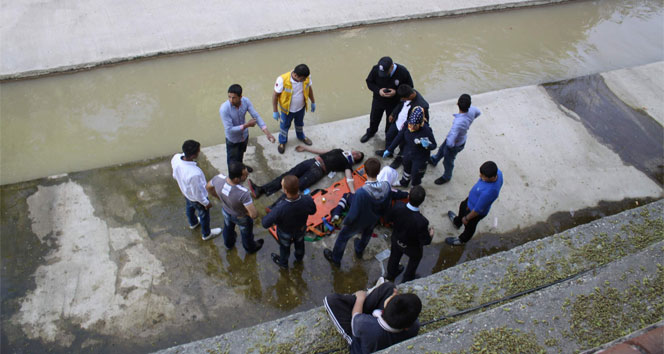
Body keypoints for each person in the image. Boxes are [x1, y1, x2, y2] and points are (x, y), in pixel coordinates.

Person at [323, 158, 392, 267]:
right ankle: (359, 250)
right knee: (367, 234)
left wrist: (347, 222)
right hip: (374, 218)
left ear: (365, 171)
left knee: (343, 237)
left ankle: (336, 259)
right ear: (379, 172)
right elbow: (387, 204)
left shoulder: (361, 192)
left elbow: (354, 212)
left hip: (359, 220)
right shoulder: (387, 186)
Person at [324, 281, 421, 353]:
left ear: (385, 305)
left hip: (363, 341)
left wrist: (360, 299)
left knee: (331, 301)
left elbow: (356, 317)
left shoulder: (364, 324)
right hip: (380, 327)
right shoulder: (414, 327)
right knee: (389, 287)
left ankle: (351, 339)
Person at [248, 145, 364, 199]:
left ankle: (275, 208)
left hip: (318, 171)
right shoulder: (339, 150)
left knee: (295, 187)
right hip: (311, 161)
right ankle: (261, 189)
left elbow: (349, 178)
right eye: (357, 152)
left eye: (358, 156)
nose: (355, 154)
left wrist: (353, 193)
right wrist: (306, 148)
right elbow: (322, 150)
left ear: (355, 160)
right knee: (286, 176)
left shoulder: (347, 164)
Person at [206, 161, 264, 253]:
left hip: (226, 211)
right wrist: (245, 212)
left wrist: (218, 197)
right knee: (246, 234)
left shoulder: (218, 178)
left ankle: (228, 244)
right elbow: (254, 215)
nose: (247, 176)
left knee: (228, 228)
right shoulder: (243, 193)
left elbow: (208, 187)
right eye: (245, 175)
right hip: (241, 217)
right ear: (237, 179)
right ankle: (250, 248)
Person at [261, 175, 317, 269]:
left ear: (285, 191)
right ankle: (299, 258)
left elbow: (265, 223)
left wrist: (275, 221)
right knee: (300, 243)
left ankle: (283, 263)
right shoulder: (307, 200)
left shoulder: (280, 208)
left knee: (284, 247)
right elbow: (313, 211)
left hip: (285, 232)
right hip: (301, 229)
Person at [171, 140, 221, 241]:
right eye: (198, 151)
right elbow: (197, 193)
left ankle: (193, 223)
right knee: (204, 214)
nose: (199, 152)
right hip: (196, 198)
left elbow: (174, 175)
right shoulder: (194, 173)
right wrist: (206, 203)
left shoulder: (176, 158)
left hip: (186, 193)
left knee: (189, 208)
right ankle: (206, 234)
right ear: (193, 155)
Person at [220, 84, 276, 172]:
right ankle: (233, 177)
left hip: (244, 136)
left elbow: (255, 116)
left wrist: (267, 133)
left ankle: (241, 167)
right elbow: (229, 130)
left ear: (240, 97)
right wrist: (247, 125)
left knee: (241, 154)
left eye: (234, 97)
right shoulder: (224, 109)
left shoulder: (246, 101)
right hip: (233, 139)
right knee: (232, 160)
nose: (231, 100)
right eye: (229, 97)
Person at [446, 161, 503, 245]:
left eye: (483, 176)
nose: (480, 176)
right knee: (462, 206)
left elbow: (477, 210)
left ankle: (462, 240)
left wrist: (467, 218)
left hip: (473, 211)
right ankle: (457, 222)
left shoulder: (489, 192)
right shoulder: (498, 172)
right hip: (470, 201)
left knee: (470, 226)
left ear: (492, 177)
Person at [429, 93, 481, 185]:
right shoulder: (473, 110)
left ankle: (447, 176)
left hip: (455, 144)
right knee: (441, 149)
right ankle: (434, 160)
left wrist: (450, 147)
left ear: (457, 103)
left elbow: (449, 142)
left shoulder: (458, 123)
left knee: (448, 161)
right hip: (461, 139)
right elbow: (478, 113)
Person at [384, 186, 433, 283]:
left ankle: (391, 274)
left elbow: (387, 219)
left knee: (394, 256)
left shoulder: (398, 206)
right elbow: (426, 241)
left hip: (397, 239)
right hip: (411, 247)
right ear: (422, 201)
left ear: (408, 196)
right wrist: (431, 234)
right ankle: (408, 278)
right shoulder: (422, 221)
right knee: (416, 258)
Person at [375, 84, 430, 169]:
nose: (402, 100)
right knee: (389, 136)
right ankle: (389, 151)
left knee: (403, 145)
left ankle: (399, 159)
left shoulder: (422, 106)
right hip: (397, 122)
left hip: (407, 128)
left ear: (411, 95)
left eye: (404, 99)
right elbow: (400, 104)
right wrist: (393, 114)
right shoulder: (407, 93)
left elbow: (424, 121)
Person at [361, 57, 414, 143]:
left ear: (392, 67)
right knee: (374, 118)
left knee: (391, 121)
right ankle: (371, 132)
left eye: (386, 72)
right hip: (378, 100)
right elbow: (369, 82)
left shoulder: (403, 72)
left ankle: (388, 137)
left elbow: (410, 87)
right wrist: (378, 91)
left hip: (394, 103)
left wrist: (396, 92)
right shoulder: (375, 69)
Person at [383, 106, 437, 187]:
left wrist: (427, 145)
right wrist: (390, 149)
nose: (411, 127)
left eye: (414, 125)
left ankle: (414, 187)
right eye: (410, 124)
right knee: (406, 169)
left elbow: (434, 145)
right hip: (408, 153)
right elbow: (399, 136)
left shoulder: (426, 130)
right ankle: (404, 182)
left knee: (416, 174)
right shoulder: (407, 124)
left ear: (420, 123)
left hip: (420, 158)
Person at [272, 64, 316, 154]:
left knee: (299, 124)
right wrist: (275, 111)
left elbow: (309, 88)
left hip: (300, 108)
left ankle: (301, 136)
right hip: (287, 111)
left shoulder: (306, 77)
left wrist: (313, 101)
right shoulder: (282, 80)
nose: (304, 80)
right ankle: (282, 142)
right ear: (295, 75)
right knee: (284, 127)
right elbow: (275, 95)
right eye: (302, 79)